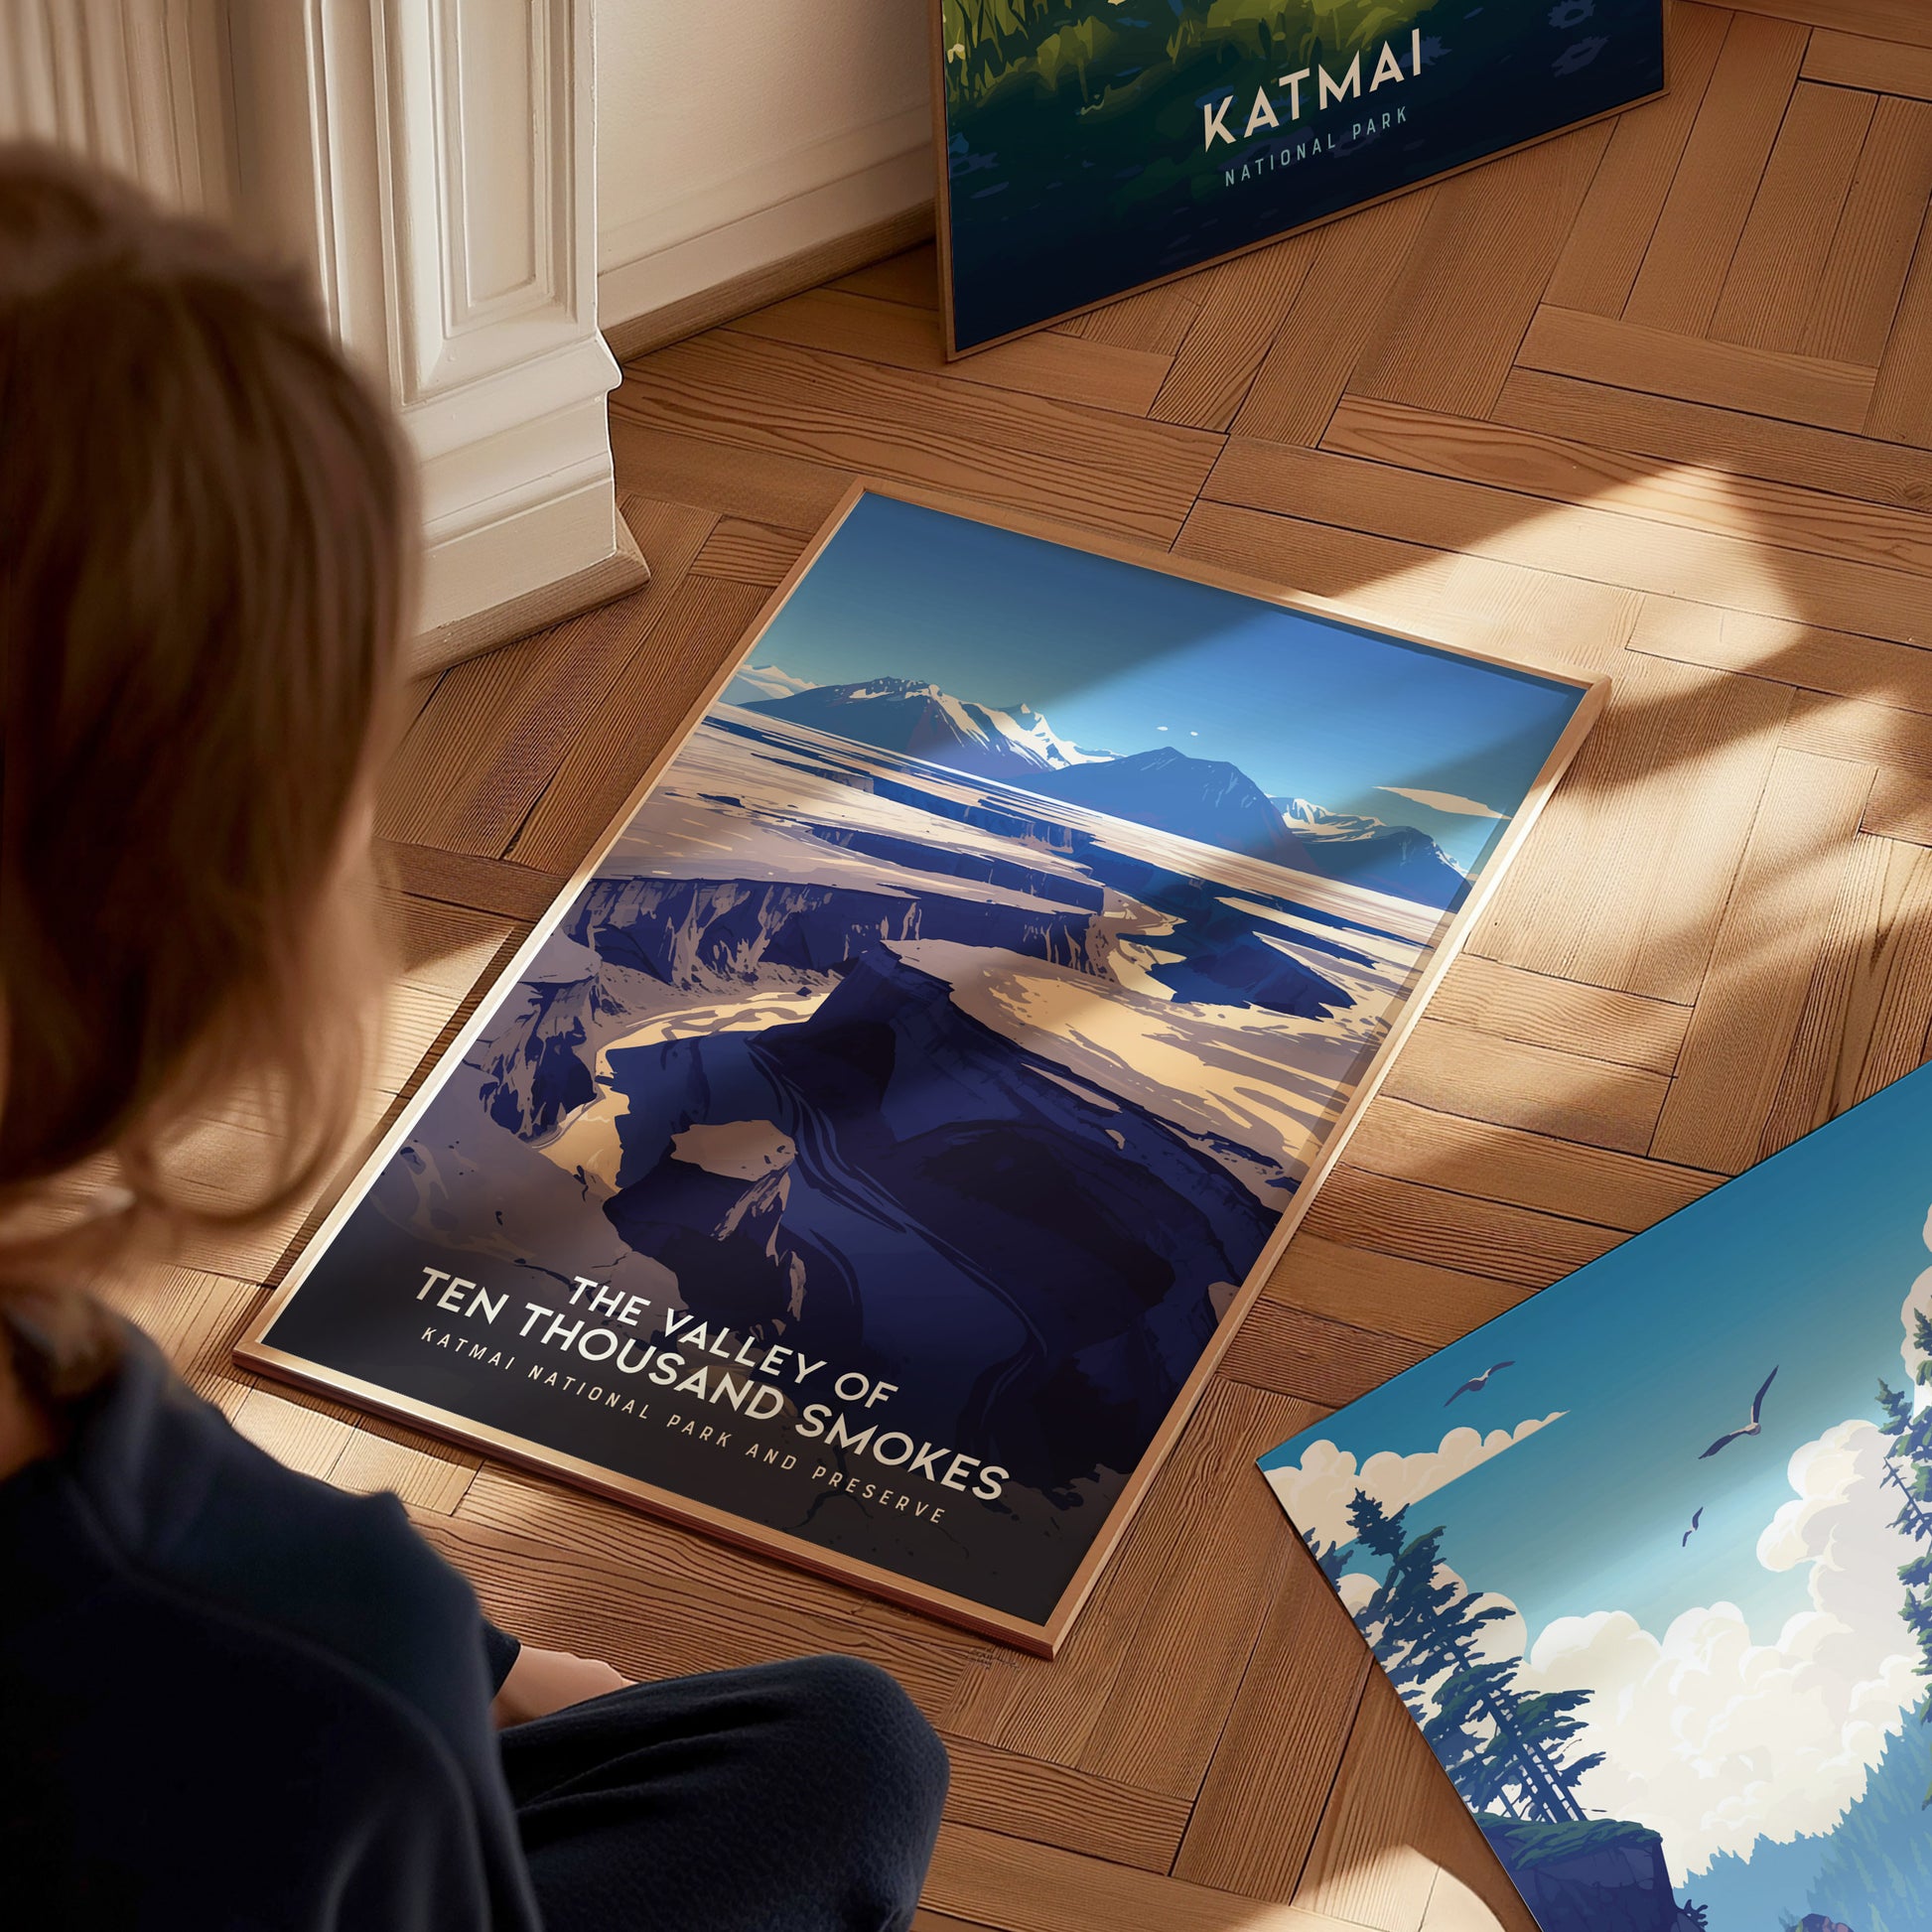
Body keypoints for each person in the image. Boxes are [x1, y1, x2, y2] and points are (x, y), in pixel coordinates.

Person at [0, 145, 948, 1930]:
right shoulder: (309, 1689)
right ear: (208, 922)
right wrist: (423, 1674)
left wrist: (477, 1654)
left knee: (823, 1749)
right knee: (845, 1758)